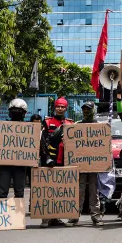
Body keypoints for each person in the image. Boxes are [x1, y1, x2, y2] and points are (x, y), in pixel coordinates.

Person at [66, 101, 104, 227]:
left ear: (93, 110)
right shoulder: (77, 126)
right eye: (84, 109)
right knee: (79, 190)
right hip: (81, 165)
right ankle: (74, 216)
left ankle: (96, 216)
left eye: (88, 109)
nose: (86, 111)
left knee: (94, 191)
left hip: (93, 165)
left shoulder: (99, 127)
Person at [40, 97, 74, 228]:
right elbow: (42, 141)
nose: (60, 109)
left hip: (64, 160)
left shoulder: (71, 123)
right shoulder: (47, 122)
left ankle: (56, 217)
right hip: (51, 160)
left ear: (66, 109)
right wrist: (46, 157)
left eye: (63, 107)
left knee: (61, 190)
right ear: (54, 107)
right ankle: (45, 218)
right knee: (47, 190)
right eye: (58, 106)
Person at [0, 99, 29, 201]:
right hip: (5, 163)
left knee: (19, 192)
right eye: (15, 111)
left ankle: (18, 215)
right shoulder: (2, 127)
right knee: (3, 192)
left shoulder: (29, 129)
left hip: (20, 164)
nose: (17, 113)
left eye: (19, 111)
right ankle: (1, 213)